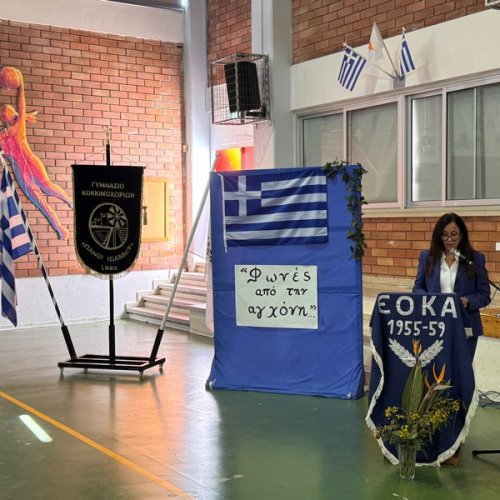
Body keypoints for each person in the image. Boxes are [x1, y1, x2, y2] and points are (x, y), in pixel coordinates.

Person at [412, 212, 491, 360]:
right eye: (444, 235)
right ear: (438, 236)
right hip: (433, 325)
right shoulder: (427, 257)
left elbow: (484, 295)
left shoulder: (475, 259)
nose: (449, 239)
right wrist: (430, 301)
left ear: (462, 235)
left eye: (454, 234)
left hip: (465, 325)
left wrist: (467, 301)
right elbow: (417, 288)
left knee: (462, 370)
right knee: (436, 370)